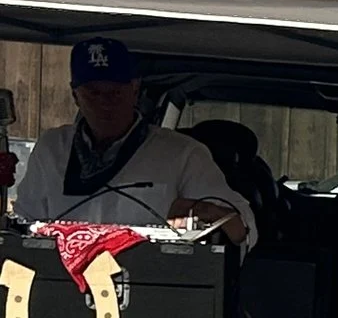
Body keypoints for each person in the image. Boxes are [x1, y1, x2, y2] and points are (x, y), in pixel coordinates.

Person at [12, 38, 253, 247]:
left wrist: (203, 212)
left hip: (150, 286)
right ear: (75, 95)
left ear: (135, 90)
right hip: (62, 284)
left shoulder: (182, 153)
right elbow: (24, 225)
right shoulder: (52, 148)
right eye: (93, 93)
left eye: (115, 92)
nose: (105, 103)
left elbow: (243, 228)